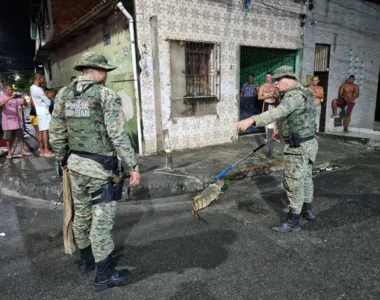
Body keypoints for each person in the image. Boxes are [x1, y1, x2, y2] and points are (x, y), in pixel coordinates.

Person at [50, 52, 142, 291]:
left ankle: (87, 260)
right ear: (100, 71)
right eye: (106, 72)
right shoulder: (105, 95)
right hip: (100, 170)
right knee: (101, 221)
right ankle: (103, 275)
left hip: (75, 166)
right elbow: (117, 134)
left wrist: (62, 160)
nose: (106, 77)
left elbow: (57, 132)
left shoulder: (64, 94)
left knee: (82, 214)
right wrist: (133, 166)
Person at [235, 65, 318, 233]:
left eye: (278, 80)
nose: (276, 84)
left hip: (298, 147)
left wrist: (251, 120)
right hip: (309, 143)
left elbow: (279, 111)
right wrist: (284, 129)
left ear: (289, 78)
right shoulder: (306, 92)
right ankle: (307, 210)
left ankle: (293, 220)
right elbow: (301, 116)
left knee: (293, 182)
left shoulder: (293, 95)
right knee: (306, 178)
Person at [0, 84, 31, 158]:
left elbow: (25, 104)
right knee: (8, 138)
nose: (11, 91)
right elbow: (0, 105)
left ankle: (23, 151)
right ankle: (9, 153)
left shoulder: (15, 97)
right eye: (9, 90)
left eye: (11, 90)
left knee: (21, 137)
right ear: (5, 90)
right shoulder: (2, 97)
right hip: (7, 122)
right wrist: (9, 98)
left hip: (17, 121)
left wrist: (23, 98)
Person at [30, 73, 54, 157]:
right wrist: (50, 100)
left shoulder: (31, 87)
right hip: (44, 112)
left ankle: (42, 151)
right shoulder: (39, 90)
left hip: (39, 111)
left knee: (41, 131)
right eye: (43, 79)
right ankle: (46, 151)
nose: (44, 80)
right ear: (39, 78)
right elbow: (48, 102)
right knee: (45, 132)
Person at [258, 72, 280, 142]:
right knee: (266, 120)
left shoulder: (275, 86)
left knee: (275, 121)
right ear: (265, 78)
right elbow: (259, 97)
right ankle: (268, 137)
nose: (268, 79)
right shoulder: (262, 86)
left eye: (270, 77)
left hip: (274, 103)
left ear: (272, 78)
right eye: (267, 77)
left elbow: (278, 96)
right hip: (266, 103)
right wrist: (268, 95)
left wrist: (275, 95)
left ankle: (273, 136)